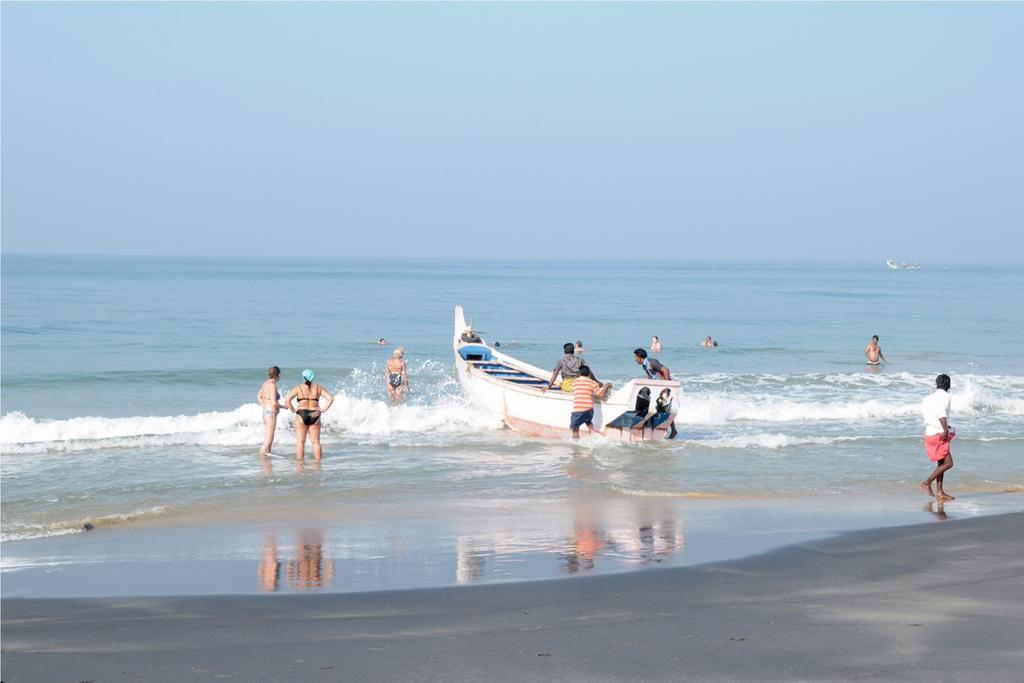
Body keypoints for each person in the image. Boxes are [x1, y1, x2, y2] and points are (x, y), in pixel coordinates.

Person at [284, 369, 334, 460]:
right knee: (316, 442)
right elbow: (330, 398)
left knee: (300, 442)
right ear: (312, 377)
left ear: (303, 377)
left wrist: (293, 410)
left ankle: (299, 464)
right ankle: (318, 464)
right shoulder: (318, 388)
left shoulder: (298, 388)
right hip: (315, 413)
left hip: (301, 413)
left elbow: (287, 399)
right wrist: (323, 409)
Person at [920, 374, 955, 501]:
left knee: (941, 463)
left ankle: (940, 492)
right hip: (939, 433)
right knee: (949, 463)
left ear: (937, 384)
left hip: (929, 432)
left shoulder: (928, 398)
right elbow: (941, 413)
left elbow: (928, 415)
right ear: (948, 385)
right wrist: (945, 429)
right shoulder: (946, 396)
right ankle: (927, 482)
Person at [569, 365, 611, 439]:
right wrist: (606, 387)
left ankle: (575, 446)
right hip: (589, 409)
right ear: (588, 374)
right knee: (588, 422)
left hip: (578, 410)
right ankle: (592, 437)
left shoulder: (574, 382)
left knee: (575, 430)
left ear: (579, 374)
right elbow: (601, 395)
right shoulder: (593, 383)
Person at [257, 366, 285, 456]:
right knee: (268, 439)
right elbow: (274, 403)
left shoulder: (266, 383)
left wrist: (265, 406)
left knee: (270, 439)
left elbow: (259, 396)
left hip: (266, 412)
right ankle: (261, 457)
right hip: (271, 414)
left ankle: (266, 458)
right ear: (279, 374)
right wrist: (285, 406)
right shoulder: (272, 385)